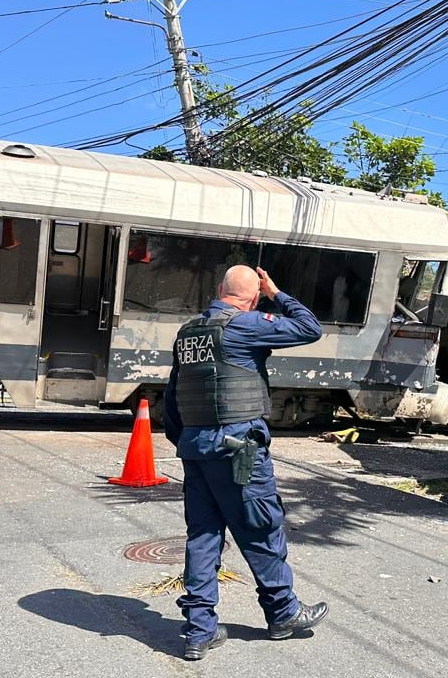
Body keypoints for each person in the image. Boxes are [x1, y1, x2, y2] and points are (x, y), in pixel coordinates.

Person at [163, 264, 329, 661]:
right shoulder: (247, 324)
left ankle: (199, 632)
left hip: (195, 447)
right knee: (260, 529)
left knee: (203, 537)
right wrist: (276, 293)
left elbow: (173, 394)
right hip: (237, 450)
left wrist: (185, 441)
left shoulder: (188, 332)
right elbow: (309, 327)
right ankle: (284, 614)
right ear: (252, 297)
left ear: (220, 289)